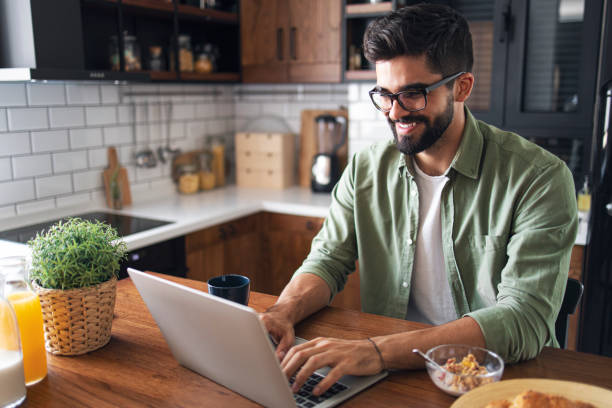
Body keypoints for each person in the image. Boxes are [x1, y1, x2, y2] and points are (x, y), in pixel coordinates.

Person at [260, 3, 578, 397]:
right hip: (386, 375)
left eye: (412, 94)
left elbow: (523, 320)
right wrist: (282, 312)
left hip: (489, 384)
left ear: (461, 87)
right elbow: (328, 260)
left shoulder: (539, 178)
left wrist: (378, 351)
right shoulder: (365, 169)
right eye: (385, 94)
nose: (395, 112)